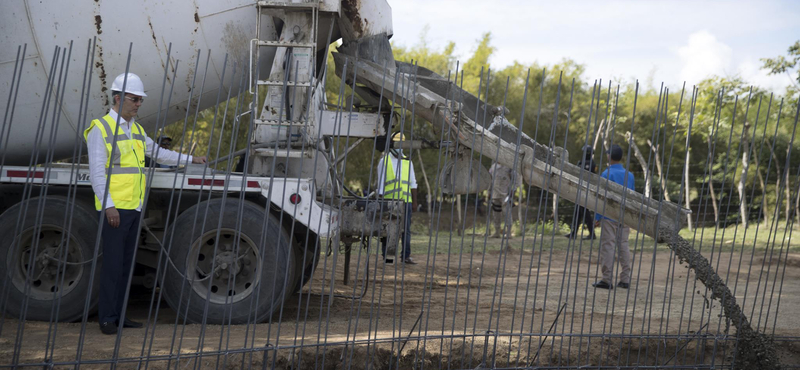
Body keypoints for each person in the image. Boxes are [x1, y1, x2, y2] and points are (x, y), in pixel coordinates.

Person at [84, 73, 207, 335]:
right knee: (113, 266)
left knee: (127, 267)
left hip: (134, 208)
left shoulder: (136, 129)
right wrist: (108, 206)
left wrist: (189, 159)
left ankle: (120, 315)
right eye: (135, 99)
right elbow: (96, 173)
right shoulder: (101, 128)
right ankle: (106, 318)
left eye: (141, 100)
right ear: (118, 98)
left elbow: (159, 153)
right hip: (115, 210)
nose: (139, 104)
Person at [592, 144, 635, 290]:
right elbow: (632, 197)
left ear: (609, 156)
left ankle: (606, 279)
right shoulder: (630, 175)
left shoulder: (606, 174)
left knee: (608, 246)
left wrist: (597, 216)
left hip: (609, 215)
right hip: (625, 216)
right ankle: (625, 279)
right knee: (623, 245)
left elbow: (601, 196)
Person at [376, 132, 418, 265]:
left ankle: (405, 256)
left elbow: (413, 183)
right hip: (389, 201)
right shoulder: (384, 161)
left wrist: (415, 202)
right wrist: (381, 202)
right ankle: (387, 256)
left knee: (406, 230)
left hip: (406, 202)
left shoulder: (407, 161)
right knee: (388, 230)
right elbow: (381, 184)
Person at [566, 145, 598, 240]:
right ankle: (574, 232)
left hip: (585, 190)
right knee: (578, 212)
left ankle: (592, 234)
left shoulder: (591, 163)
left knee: (585, 213)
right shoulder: (582, 162)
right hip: (580, 189)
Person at [488, 161, 521, 239]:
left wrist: (513, 190)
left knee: (507, 212)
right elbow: (490, 179)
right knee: (496, 213)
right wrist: (489, 191)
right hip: (495, 193)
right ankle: (497, 232)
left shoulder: (510, 166)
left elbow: (516, 179)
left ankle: (508, 233)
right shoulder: (493, 167)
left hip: (506, 193)